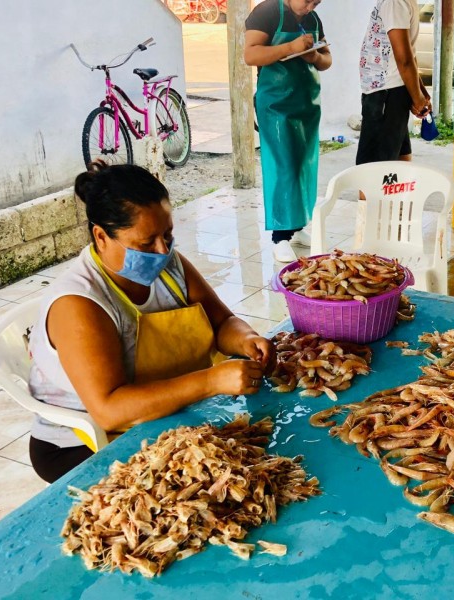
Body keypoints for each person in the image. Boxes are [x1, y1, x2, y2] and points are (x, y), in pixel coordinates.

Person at [27, 162, 276, 483]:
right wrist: (211, 381)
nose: (162, 251)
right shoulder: (79, 303)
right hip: (85, 442)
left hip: (161, 415)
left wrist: (246, 340)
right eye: (146, 244)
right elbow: (109, 409)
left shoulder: (169, 265)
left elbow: (222, 321)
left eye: (168, 235)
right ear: (101, 237)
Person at [244, 0, 332, 263]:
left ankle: (296, 227)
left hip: (306, 102)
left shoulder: (313, 19)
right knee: (283, 166)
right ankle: (279, 237)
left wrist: (314, 57)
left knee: (304, 165)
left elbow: (327, 59)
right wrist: (290, 48)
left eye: (316, 2)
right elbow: (251, 55)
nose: (310, 6)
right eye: (307, 1)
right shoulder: (267, 12)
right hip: (276, 103)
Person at [356, 0, 431, 166]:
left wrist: (419, 94)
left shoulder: (399, 2)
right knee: (389, 164)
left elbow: (406, 56)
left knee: (380, 167)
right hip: (387, 92)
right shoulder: (397, 2)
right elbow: (406, 56)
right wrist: (418, 95)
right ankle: (387, 193)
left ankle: (386, 193)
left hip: (387, 92)